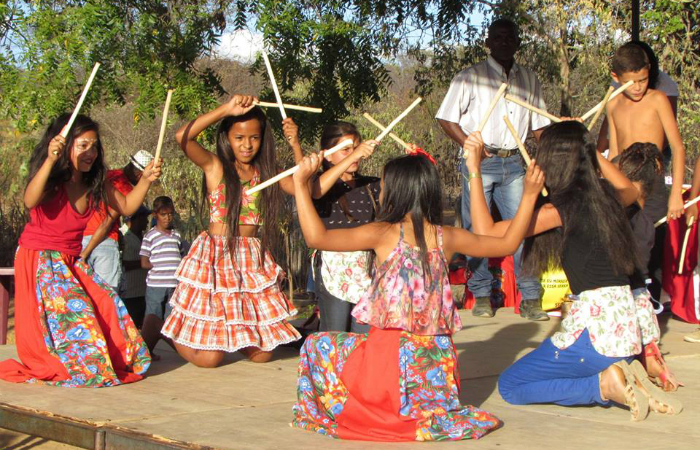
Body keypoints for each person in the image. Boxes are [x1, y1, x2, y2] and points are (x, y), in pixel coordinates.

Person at [290, 147, 545, 441]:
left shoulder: (383, 233)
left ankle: (372, 407)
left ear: (396, 192)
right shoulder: (447, 236)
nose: (380, 192)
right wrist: (528, 197)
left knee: (317, 345)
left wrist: (300, 185)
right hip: (436, 369)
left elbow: (316, 237)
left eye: (383, 186)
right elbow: (507, 245)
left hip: (387, 363)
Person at [464, 121, 681, 419]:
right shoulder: (609, 198)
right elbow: (629, 188)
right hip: (624, 333)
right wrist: (586, 148)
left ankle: (603, 385)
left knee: (512, 385)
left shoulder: (559, 210)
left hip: (595, 336)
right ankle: (617, 371)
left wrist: (475, 170)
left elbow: (486, 231)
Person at [161, 95, 343, 367]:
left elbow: (305, 188)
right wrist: (225, 109)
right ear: (227, 137)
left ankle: (232, 338)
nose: (247, 145)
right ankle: (172, 337)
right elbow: (182, 137)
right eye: (239, 138)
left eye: (254, 138)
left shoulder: (268, 172)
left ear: (263, 138)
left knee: (263, 355)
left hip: (251, 258)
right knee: (210, 360)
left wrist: (295, 145)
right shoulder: (215, 166)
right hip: (217, 255)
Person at [0, 114, 160, 387]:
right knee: (78, 316)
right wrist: (50, 161)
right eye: (83, 145)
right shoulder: (51, 178)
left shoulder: (95, 182)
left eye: (95, 146)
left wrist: (145, 180)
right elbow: (29, 200)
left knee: (107, 304)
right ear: (63, 145)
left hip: (72, 258)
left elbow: (127, 207)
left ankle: (103, 357)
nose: (91, 153)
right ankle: (74, 361)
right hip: (40, 259)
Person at [436, 17, 551, 320]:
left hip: (516, 160)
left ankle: (530, 297)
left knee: (522, 227)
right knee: (475, 229)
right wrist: (472, 146)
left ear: (517, 42)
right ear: (488, 42)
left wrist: (554, 153)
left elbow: (539, 126)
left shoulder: (529, 78)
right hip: (480, 161)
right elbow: (446, 118)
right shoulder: (469, 76)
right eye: (497, 38)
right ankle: (483, 294)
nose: (503, 42)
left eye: (509, 37)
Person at [613, 143, 682, 391]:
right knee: (643, 334)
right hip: (641, 301)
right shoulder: (646, 224)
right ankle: (652, 360)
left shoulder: (623, 219)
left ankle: (623, 370)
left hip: (618, 299)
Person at [311, 122, 378, 332]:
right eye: (346, 149)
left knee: (364, 338)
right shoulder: (319, 183)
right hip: (333, 270)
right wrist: (353, 155)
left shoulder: (371, 184)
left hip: (365, 270)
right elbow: (317, 191)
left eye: (356, 148)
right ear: (328, 155)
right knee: (335, 337)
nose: (354, 155)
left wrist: (412, 160)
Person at [80, 150, 154, 290]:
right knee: (108, 295)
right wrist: (86, 252)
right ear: (139, 174)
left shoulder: (108, 175)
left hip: (82, 236)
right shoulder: (124, 187)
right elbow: (107, 222)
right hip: (102, 242)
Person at [139, 196, 184, 356]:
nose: (168, 218)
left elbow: (180, 255)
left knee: (169, 319)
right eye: (163, 214)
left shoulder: (177, 235)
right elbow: (144, 262)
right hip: (156, 285)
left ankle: (174, 348)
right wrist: (159, 266)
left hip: (174, 285)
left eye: (170, 214)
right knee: (152, 317)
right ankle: (146, 352)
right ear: (156, 215)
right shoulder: (150, 236)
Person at [118, 205, 151, 328]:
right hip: (130, 292)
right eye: (144, 218)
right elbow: (123, 264)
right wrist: (145, 262)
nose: (147, 221)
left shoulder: (145, 237)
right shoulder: (124, 238)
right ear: (135, 219)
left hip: (144, 291)